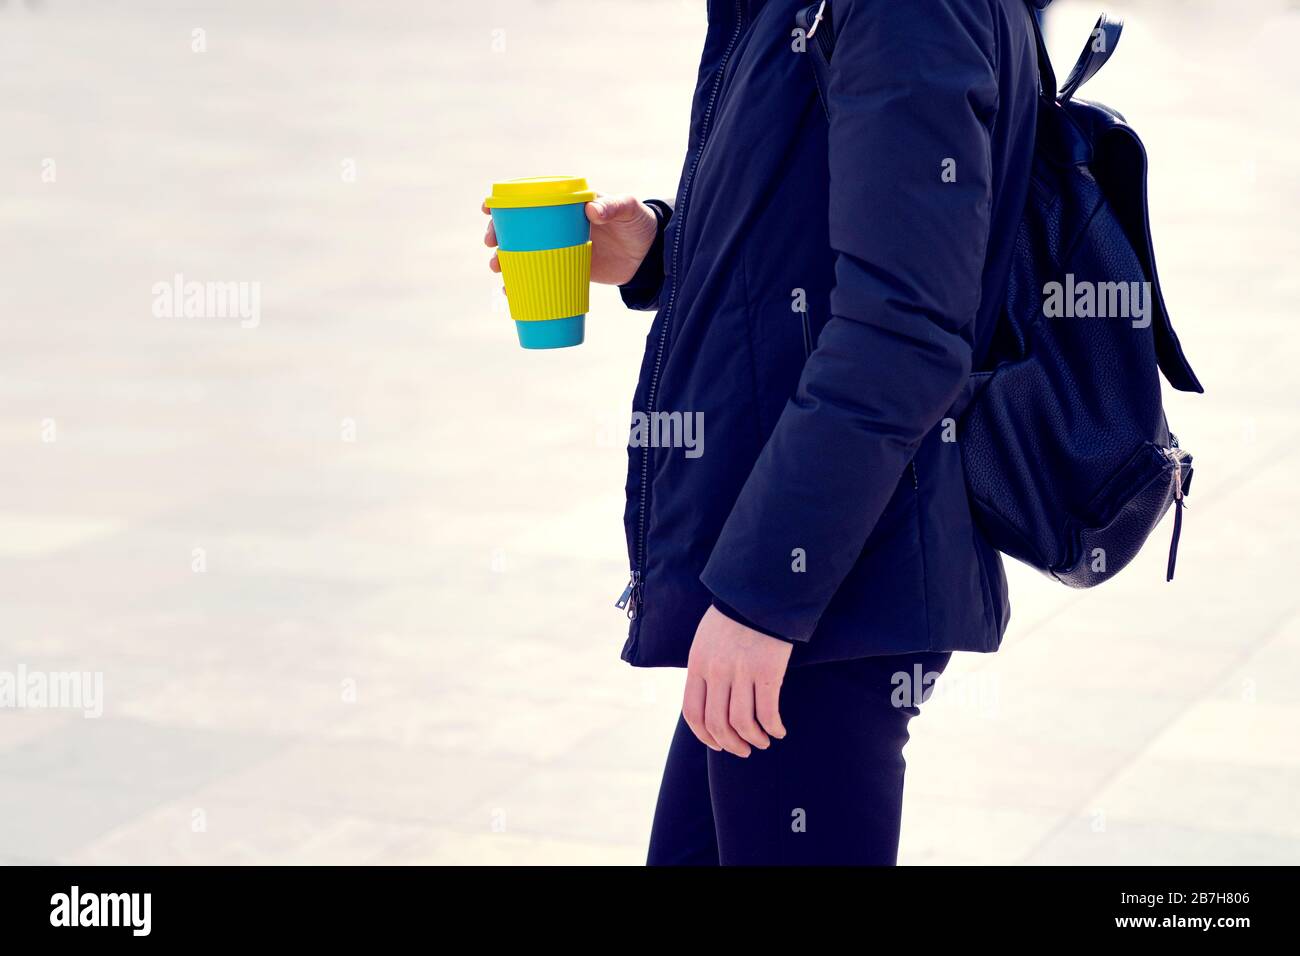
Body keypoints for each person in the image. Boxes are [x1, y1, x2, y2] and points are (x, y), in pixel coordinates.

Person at [484, 0, 1048, 865]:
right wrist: (660, 251)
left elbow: (903, 329)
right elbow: (828, 237)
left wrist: (766, 594)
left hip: (831, 584)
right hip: (802, 569)